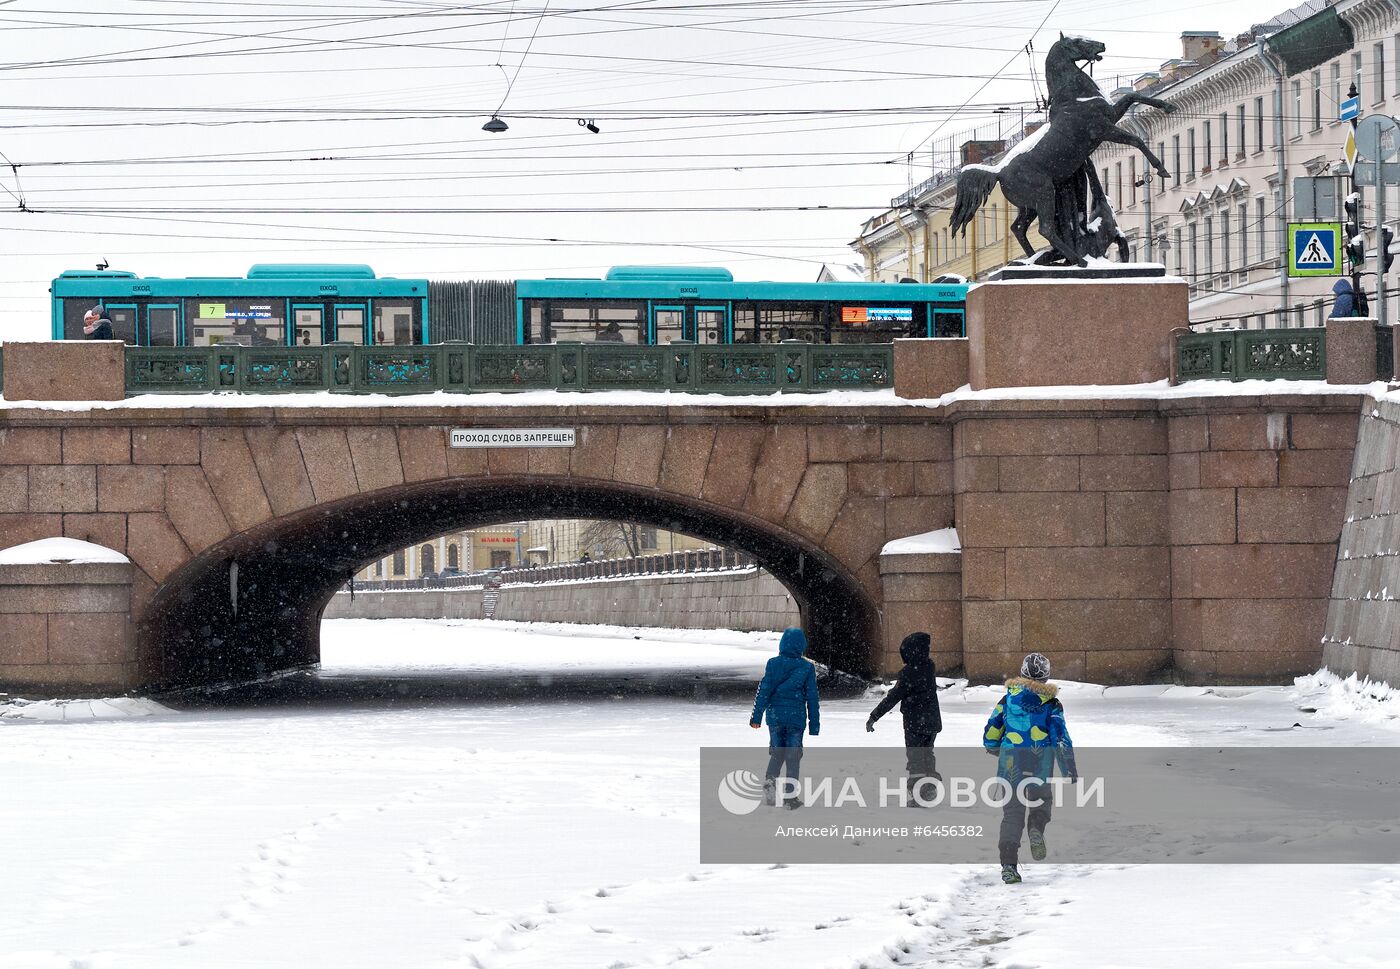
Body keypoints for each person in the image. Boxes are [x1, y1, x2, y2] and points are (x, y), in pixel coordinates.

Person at [982, 652, 1077, 885]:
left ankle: (1008, 866)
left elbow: (993, 728)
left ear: (1023, 672)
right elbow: (1060, 738)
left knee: (1012, 815)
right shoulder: (1052, 704)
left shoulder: (1008, 699)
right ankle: (1036, 827)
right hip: (1039, 764)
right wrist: (1068, 769)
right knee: (1041, 802)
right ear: (1046, 676)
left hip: (1010, 764)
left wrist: (993, 746)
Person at [866, 631, 942, 805]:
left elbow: (893, 697)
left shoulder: (909, 672)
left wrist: (874, 715)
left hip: (915, 722)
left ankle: (920, 794)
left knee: (916, 758)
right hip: (931, 722)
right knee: (927, 753)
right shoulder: (929, 666)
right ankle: (929, 787)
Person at [749, 627, 820, 809]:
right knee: (793, 757)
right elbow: (812, 697)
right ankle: (790, 798)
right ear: (801, 646)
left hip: (775, 719)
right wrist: (814, 724)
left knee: (777, 753)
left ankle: (770, 785)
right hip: (796, 720)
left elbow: (763, 691)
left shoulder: (773, 664)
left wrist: (756, 716)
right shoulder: (807, 667)